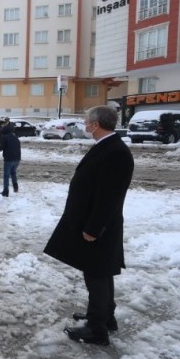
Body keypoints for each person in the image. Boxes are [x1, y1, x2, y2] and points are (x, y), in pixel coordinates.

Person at [43, 105, 134, 346]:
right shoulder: (107, 147)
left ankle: (97, 329)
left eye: (87, 121)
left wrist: (93, 228)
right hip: (96, 224)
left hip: (99, 228)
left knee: (96, 275)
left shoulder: (115, 152)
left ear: (96, 124)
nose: (84, 124)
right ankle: (105, 317)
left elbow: (108, 197)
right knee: (101, 271)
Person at [0, 123, 21, 197]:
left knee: (6, 175)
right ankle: (15, 187)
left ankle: (5, 191)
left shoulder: (5, 137)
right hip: (17, 158)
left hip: (9, 159)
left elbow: (1, 147)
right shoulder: (15, 137)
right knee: (13, 173)